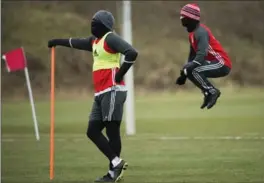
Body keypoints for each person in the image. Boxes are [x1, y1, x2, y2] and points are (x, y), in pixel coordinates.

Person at [48, 10, 138, 182]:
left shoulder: (110, 38)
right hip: (100, 93)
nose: (92, 25)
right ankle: (116, 162)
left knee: (112, 130)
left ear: (103, 25)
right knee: (92, 131)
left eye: (95, 22)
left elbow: (131, 53)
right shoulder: (95, 42)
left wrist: (119, 75)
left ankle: (113, 174)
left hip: (113, 90)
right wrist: (56, 42)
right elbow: (75, 42)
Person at [175, 3, 232, 109]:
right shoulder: (192, 35)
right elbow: (192, 58)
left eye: (183, 17)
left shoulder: (200, 32)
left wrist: (188, 69)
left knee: (194, 70)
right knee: (191, 69)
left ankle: (212, 91)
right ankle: (207, 93)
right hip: (213, 63)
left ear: (190, 18)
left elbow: (201, 55)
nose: (181, 19)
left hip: (222, 63)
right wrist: (184, 74)